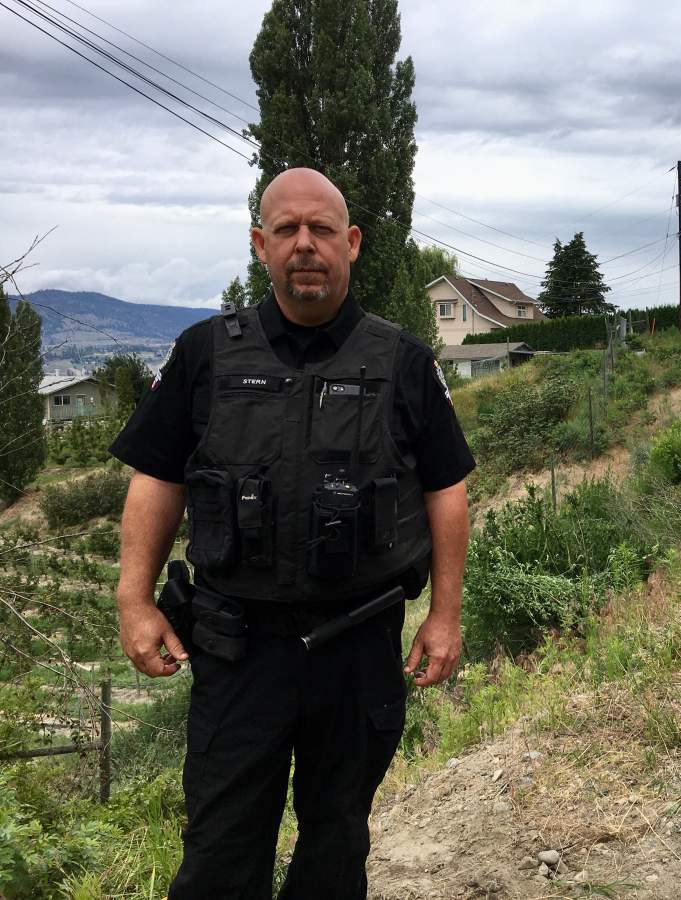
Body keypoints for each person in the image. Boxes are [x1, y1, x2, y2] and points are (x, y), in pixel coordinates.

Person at [113, 167, 474, 899]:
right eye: (286, 230)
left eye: (321, 229)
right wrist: (133, 597)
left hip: (357, 650)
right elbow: (157, 477)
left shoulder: (403, 361)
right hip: (237, 649)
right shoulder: (205, 353)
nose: (305, 244)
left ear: (353, 242)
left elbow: (445, 489)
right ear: (260, 244)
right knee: (219, 853)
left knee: (336, 846)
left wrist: (444, 614)